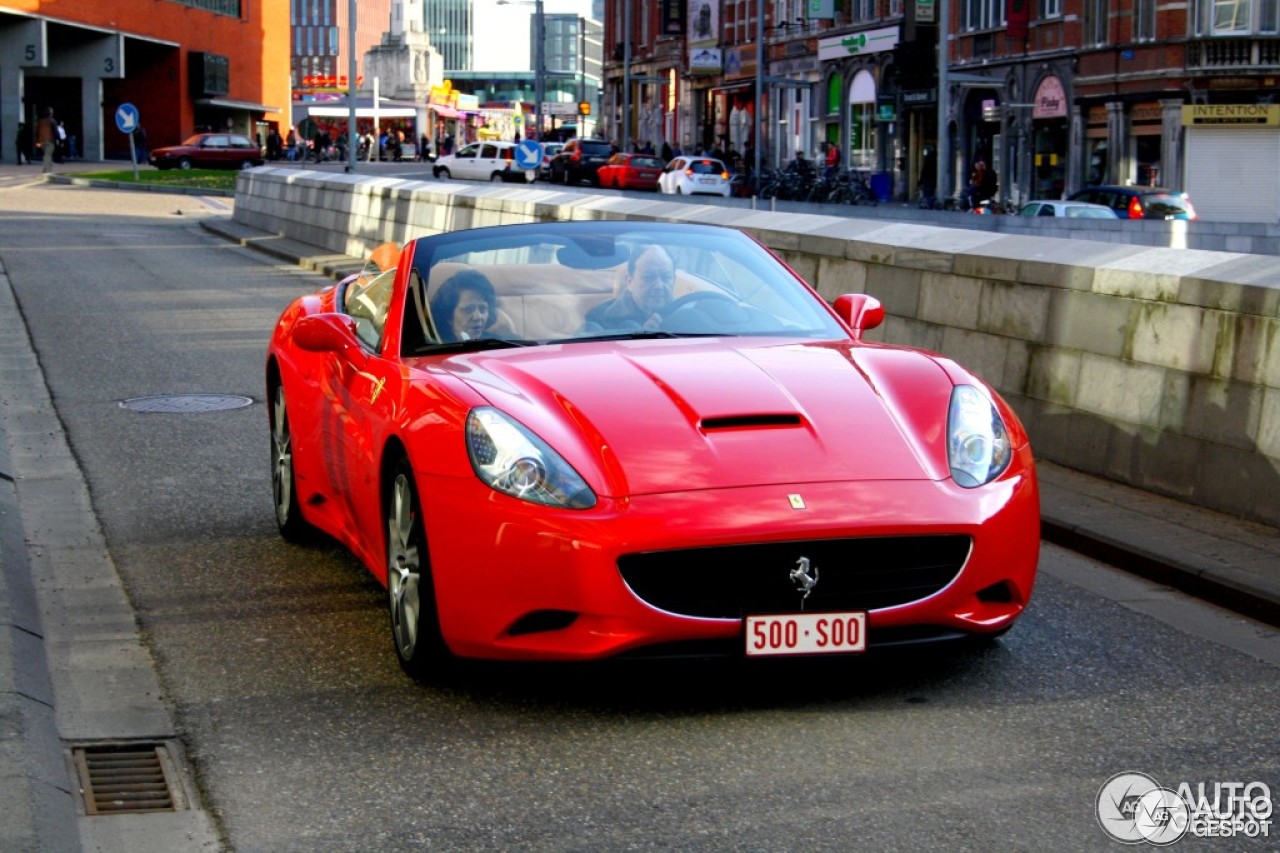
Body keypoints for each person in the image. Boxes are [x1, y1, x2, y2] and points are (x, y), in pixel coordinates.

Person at [581, 244, 676, 332]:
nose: (658, 286)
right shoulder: (599, 320)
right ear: (630, 281)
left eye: (666, 277)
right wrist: (642, 337)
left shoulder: (688, 316)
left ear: (674, 280)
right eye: (649, 277)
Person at [429, 270, 499, 342]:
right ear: (448, 316)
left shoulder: (495, 343)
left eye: (482, 309)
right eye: (468, 309)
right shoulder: (438, 347)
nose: (478, 317)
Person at [36, 107, 57, 173]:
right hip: (50, 140)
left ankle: (48, 169)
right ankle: (46, 169)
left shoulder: (40, 121)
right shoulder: (52, 121)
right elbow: (55, 131)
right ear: (51, 113)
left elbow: (37, 132)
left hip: (42, 141)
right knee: (48, 155)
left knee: (47, 155)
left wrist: (38, 141)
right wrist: (58, 139)